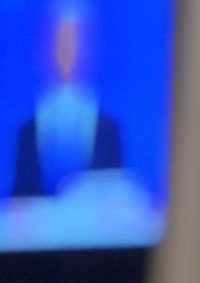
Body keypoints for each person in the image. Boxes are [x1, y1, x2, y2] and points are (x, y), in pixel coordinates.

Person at [13, 15, 123, 198]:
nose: (68, 52)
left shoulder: (109, 128)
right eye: (60, 43)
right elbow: (19, 199)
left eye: (74, 43)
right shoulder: (26, 132)